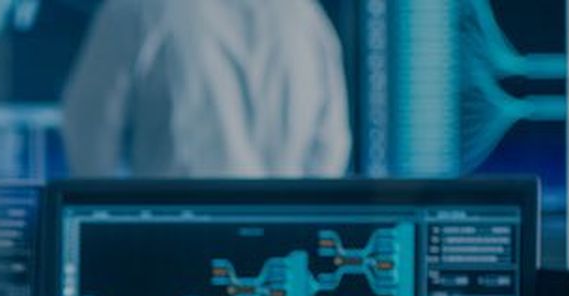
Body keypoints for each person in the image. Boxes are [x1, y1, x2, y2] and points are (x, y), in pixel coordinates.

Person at [60, 0, 351, 178]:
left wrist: (108, 229)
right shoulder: (307, 18)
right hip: (278, 250)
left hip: (171, 244)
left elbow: (88, 131)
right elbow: (330, 150)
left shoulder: (137, 11)